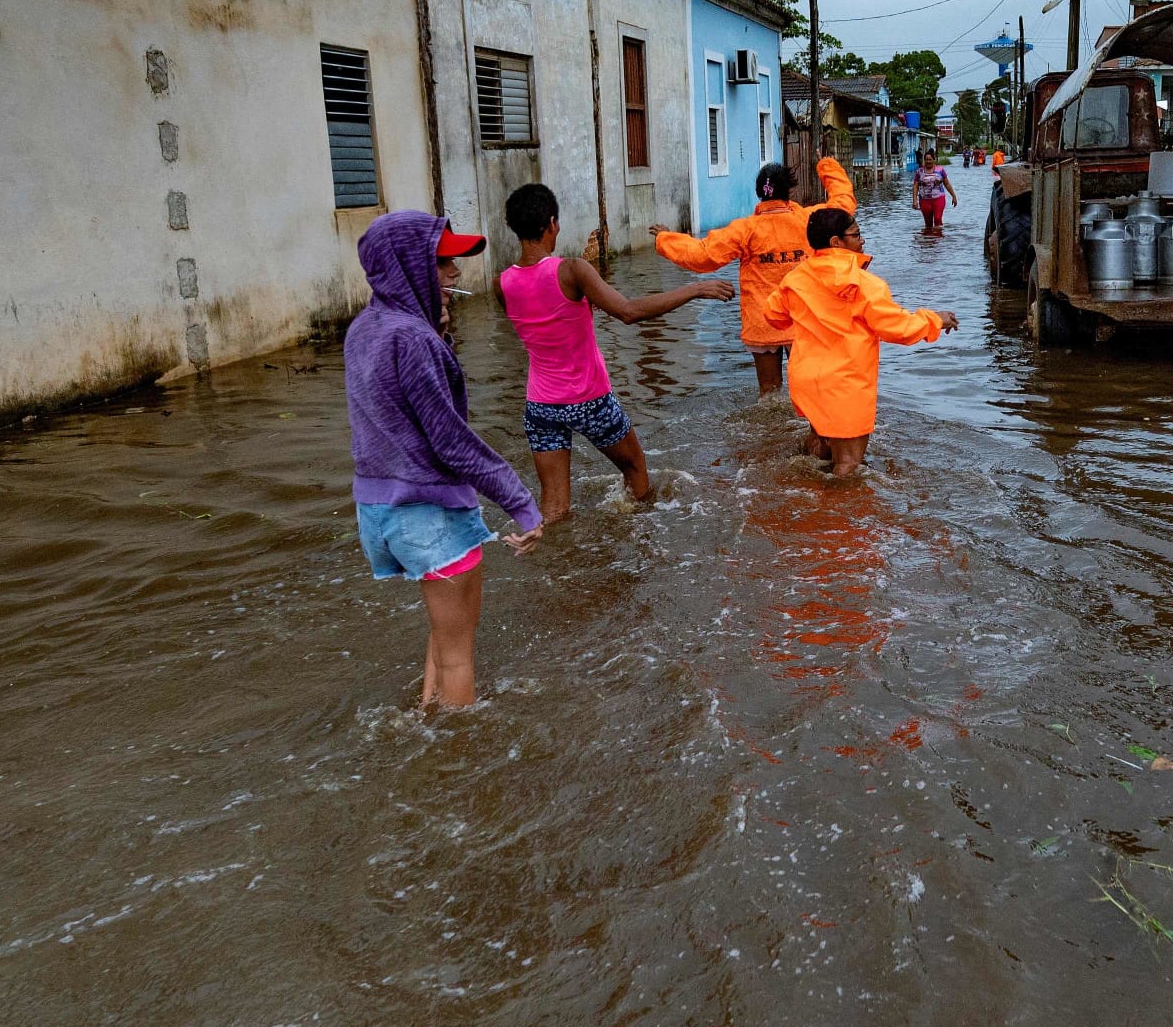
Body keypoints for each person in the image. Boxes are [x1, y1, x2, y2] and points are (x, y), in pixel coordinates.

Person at [344, 211, 543, 711]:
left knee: (441, 635)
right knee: (459, 656)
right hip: (429, 512)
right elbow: (451, 442)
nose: (454, 273)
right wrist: (522, 504)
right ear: (407, 267)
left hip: (379, 512)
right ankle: (460, 759)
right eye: (441, 263)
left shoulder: (364, 329)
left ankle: (425, 715)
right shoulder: (413, 339)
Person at [501, 183, 732, 522]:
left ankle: (553, 563)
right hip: (588, 399)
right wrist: (695, 289)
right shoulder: (572, 270)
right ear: (552, 223)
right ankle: (642, 544)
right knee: (636, 469)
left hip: (540, 406)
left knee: (553, 505)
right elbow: (628, 311)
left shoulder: (502, 282)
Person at [767, 206, 957, 476]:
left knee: (820, 446)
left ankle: (806, 495)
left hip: (807, 381)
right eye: (856, 234)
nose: (862, 240)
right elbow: (898, 328)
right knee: (849, 464)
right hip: (846, 385)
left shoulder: (794, 279)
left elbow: (773, 315)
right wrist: (935, 320)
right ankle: (835, 513)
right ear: (836, 242)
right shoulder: (865, 284)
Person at [649, 155, 856, 396]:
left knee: (769, 395)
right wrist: (826, 165)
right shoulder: (810, 220)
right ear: (789, 191)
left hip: (763, 320)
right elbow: (843, 204)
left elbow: (701, 255)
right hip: (803, 320)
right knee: (812, 391)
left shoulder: (745, 230)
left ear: (760, 193)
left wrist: (665, 238)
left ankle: (770, 434)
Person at [912, 152, 957, 234]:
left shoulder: (940, 170)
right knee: (928, 224)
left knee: (937, 219)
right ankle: (928, 241)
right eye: (926, 159)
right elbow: (915, 186)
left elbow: (946, 183)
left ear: (934, 160)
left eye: (930, 159)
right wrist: (914, 201)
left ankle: (938, 240)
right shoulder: (919, 172)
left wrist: (954, 196)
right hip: (924, 200)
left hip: (939, 198)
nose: (928, 161)